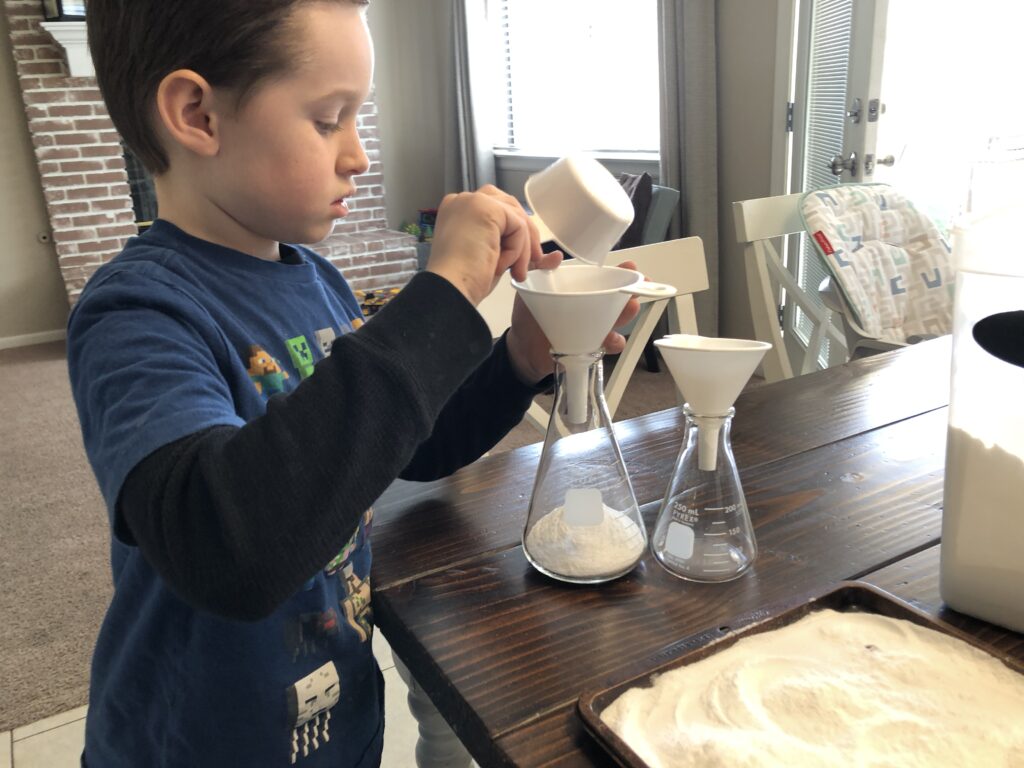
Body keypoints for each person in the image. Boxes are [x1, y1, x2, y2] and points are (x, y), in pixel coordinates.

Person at [69, 1, 639, 766]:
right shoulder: (137, 313)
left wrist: (519, 360)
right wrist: (438, 299)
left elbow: (406, 442)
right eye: (329, 118)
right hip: (195, 743)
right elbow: (226, 548)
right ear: (197, 114)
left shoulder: (317, 283)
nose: (359, 156)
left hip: (336, 727)